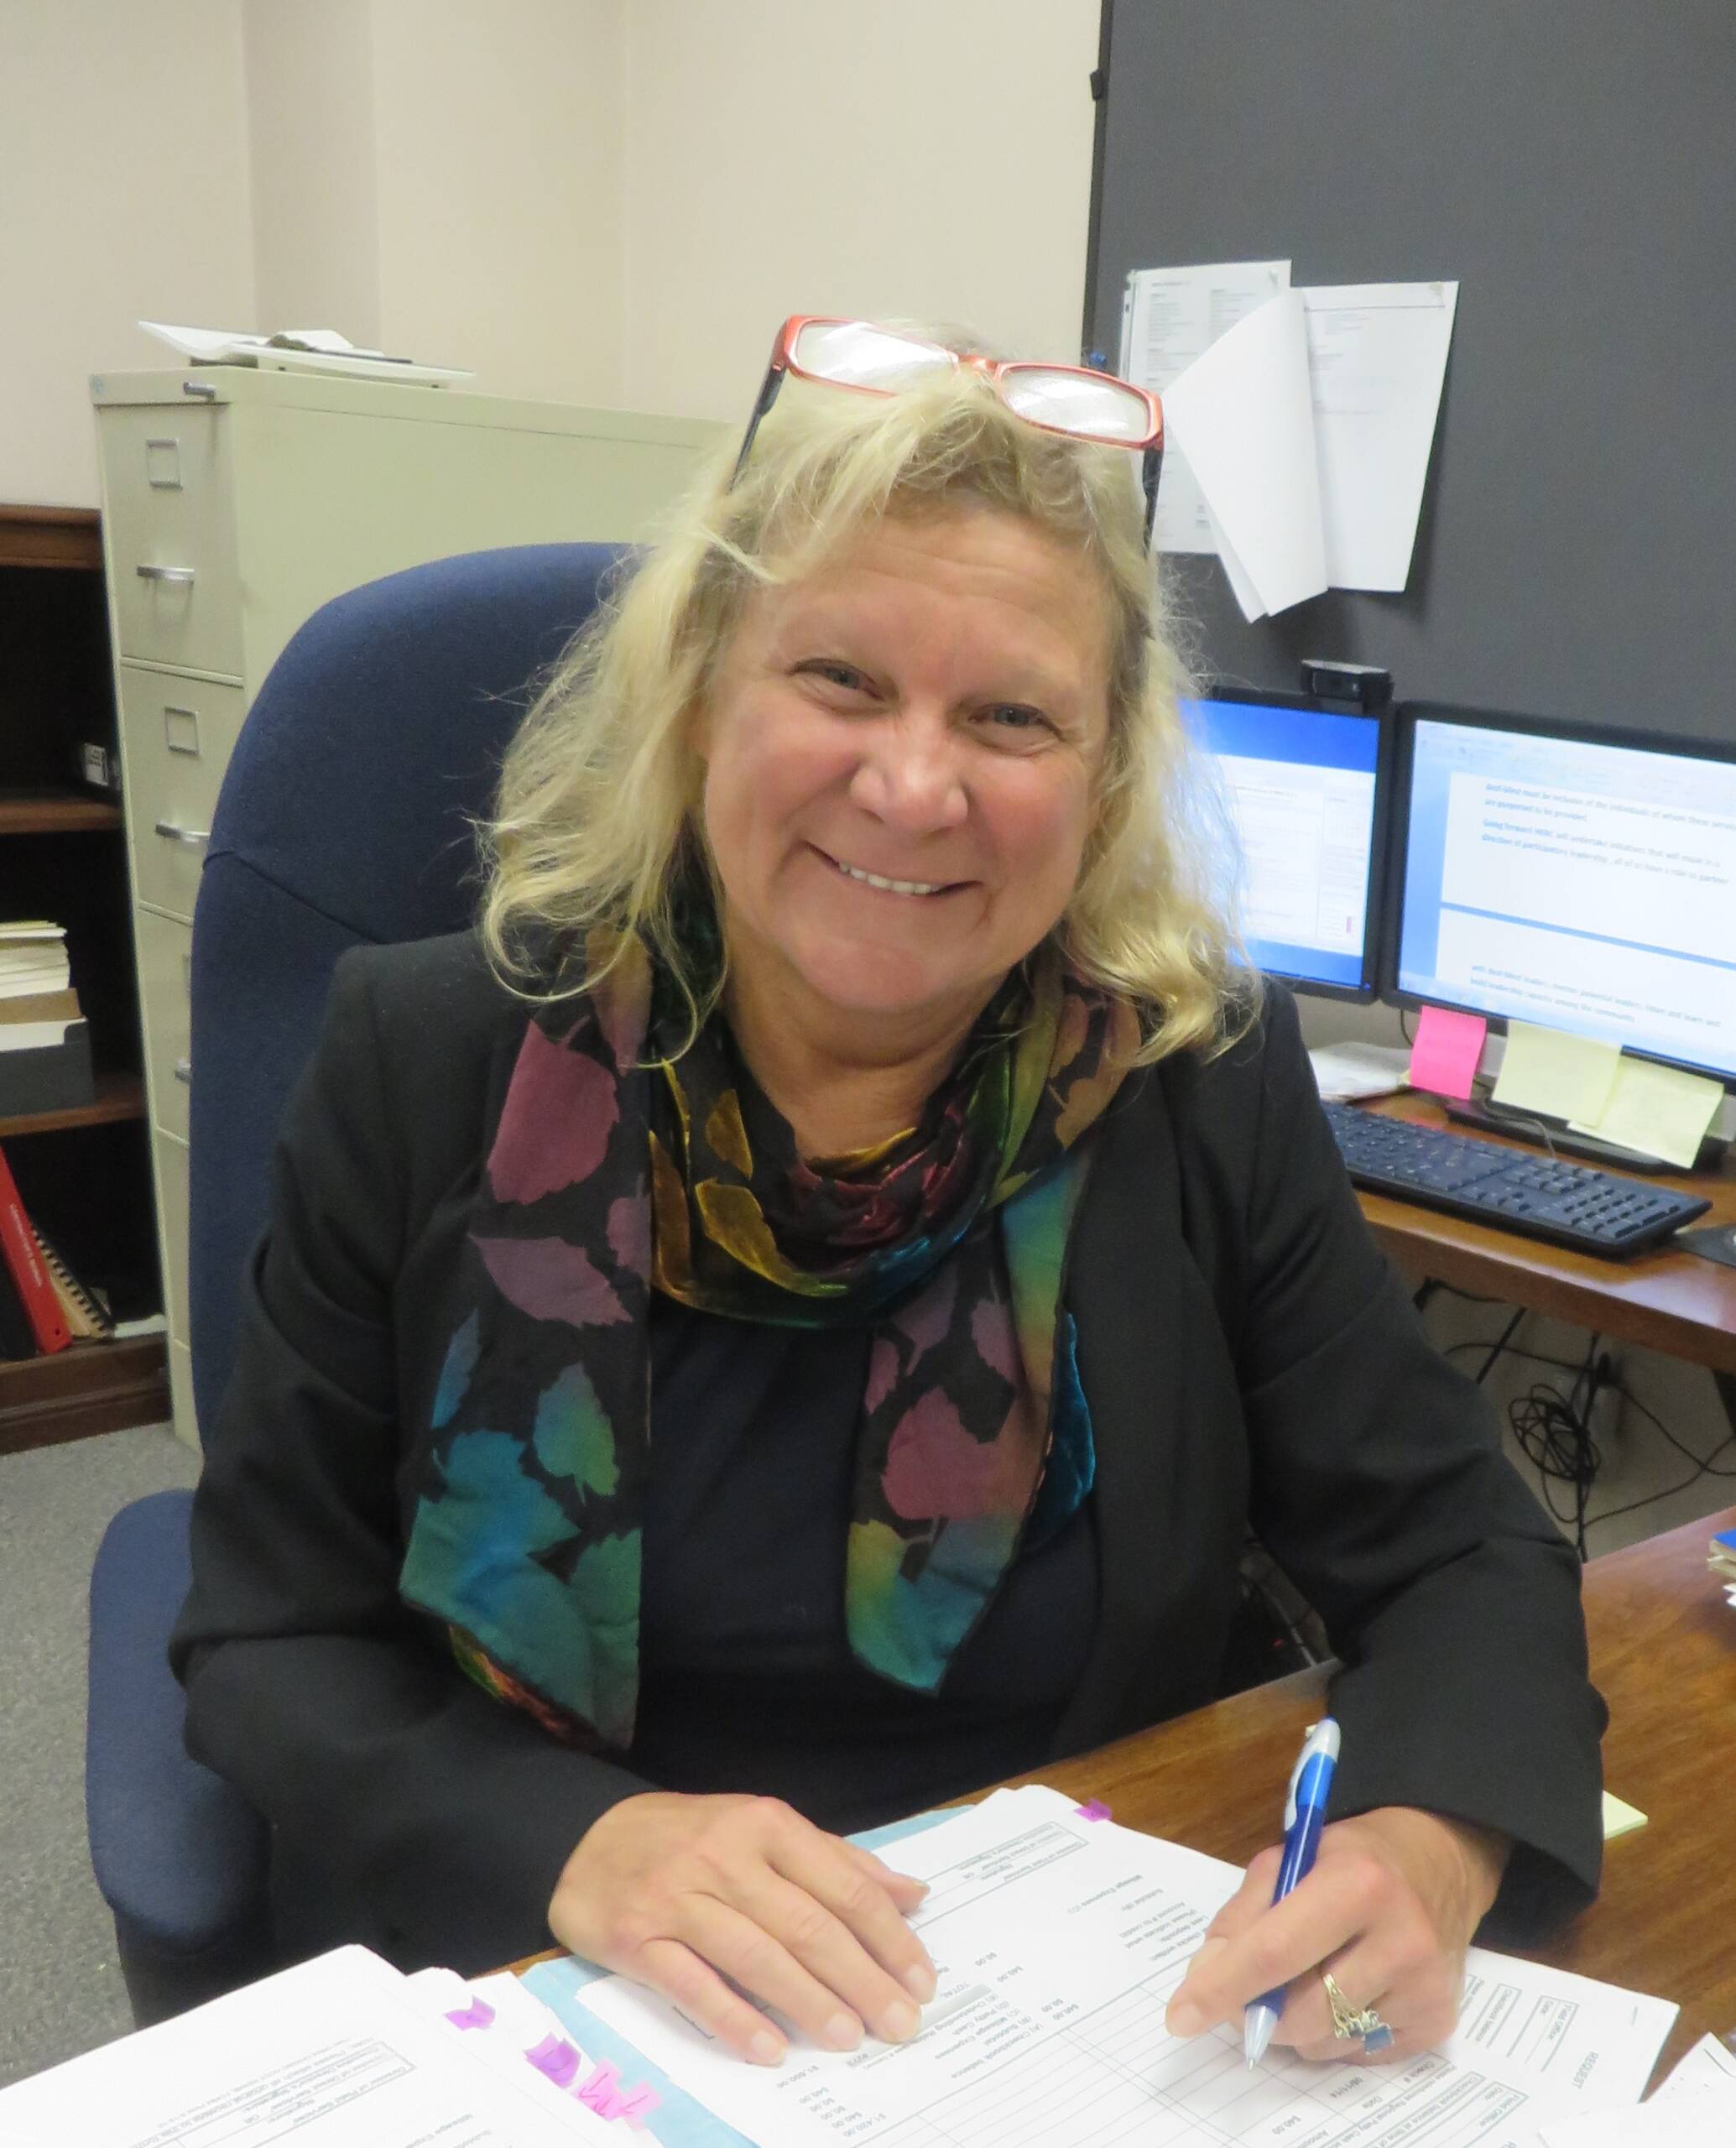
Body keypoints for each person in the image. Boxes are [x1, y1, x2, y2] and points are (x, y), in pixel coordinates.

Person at [173, 315, 1603, 2076]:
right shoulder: (432, 1059)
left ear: (1099, 782)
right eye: (841, 679)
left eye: (1009, 715)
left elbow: (1465, 1547)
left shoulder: (1191, 1079)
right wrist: (578, 1840)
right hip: (543, 1986)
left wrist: (1430, 1841)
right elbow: (267, 1634)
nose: (913, 784)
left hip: (1058, 2021)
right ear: (704, 692)